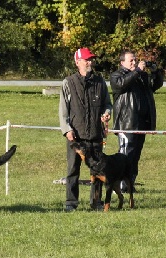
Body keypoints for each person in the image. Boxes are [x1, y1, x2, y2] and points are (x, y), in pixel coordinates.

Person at [59, 48, 112, 211]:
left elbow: (107, 104)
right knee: (72, 170)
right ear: (77, 62)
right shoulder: (68, 82)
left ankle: (96, 202)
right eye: (87, 59)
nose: (90, 62)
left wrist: (106, 113)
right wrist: (67, 129)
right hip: (75, 136)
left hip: (95, 134)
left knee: (97, 170)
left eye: (91, 59)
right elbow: (63, 110)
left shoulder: (100, 82)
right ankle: (71, 203)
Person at [110, 50, 163, 191]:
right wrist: (138, 71)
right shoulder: (117, 76)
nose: (134, 63)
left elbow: (155, 85)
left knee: (135, 156)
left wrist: (155, 71)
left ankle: (129, 184)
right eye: (130, 61)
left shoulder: (141, 76)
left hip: (142, 123)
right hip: (126, 123)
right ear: (122, 63)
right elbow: (121, 85)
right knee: (125, 156)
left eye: (135, 60)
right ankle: (120, 185)